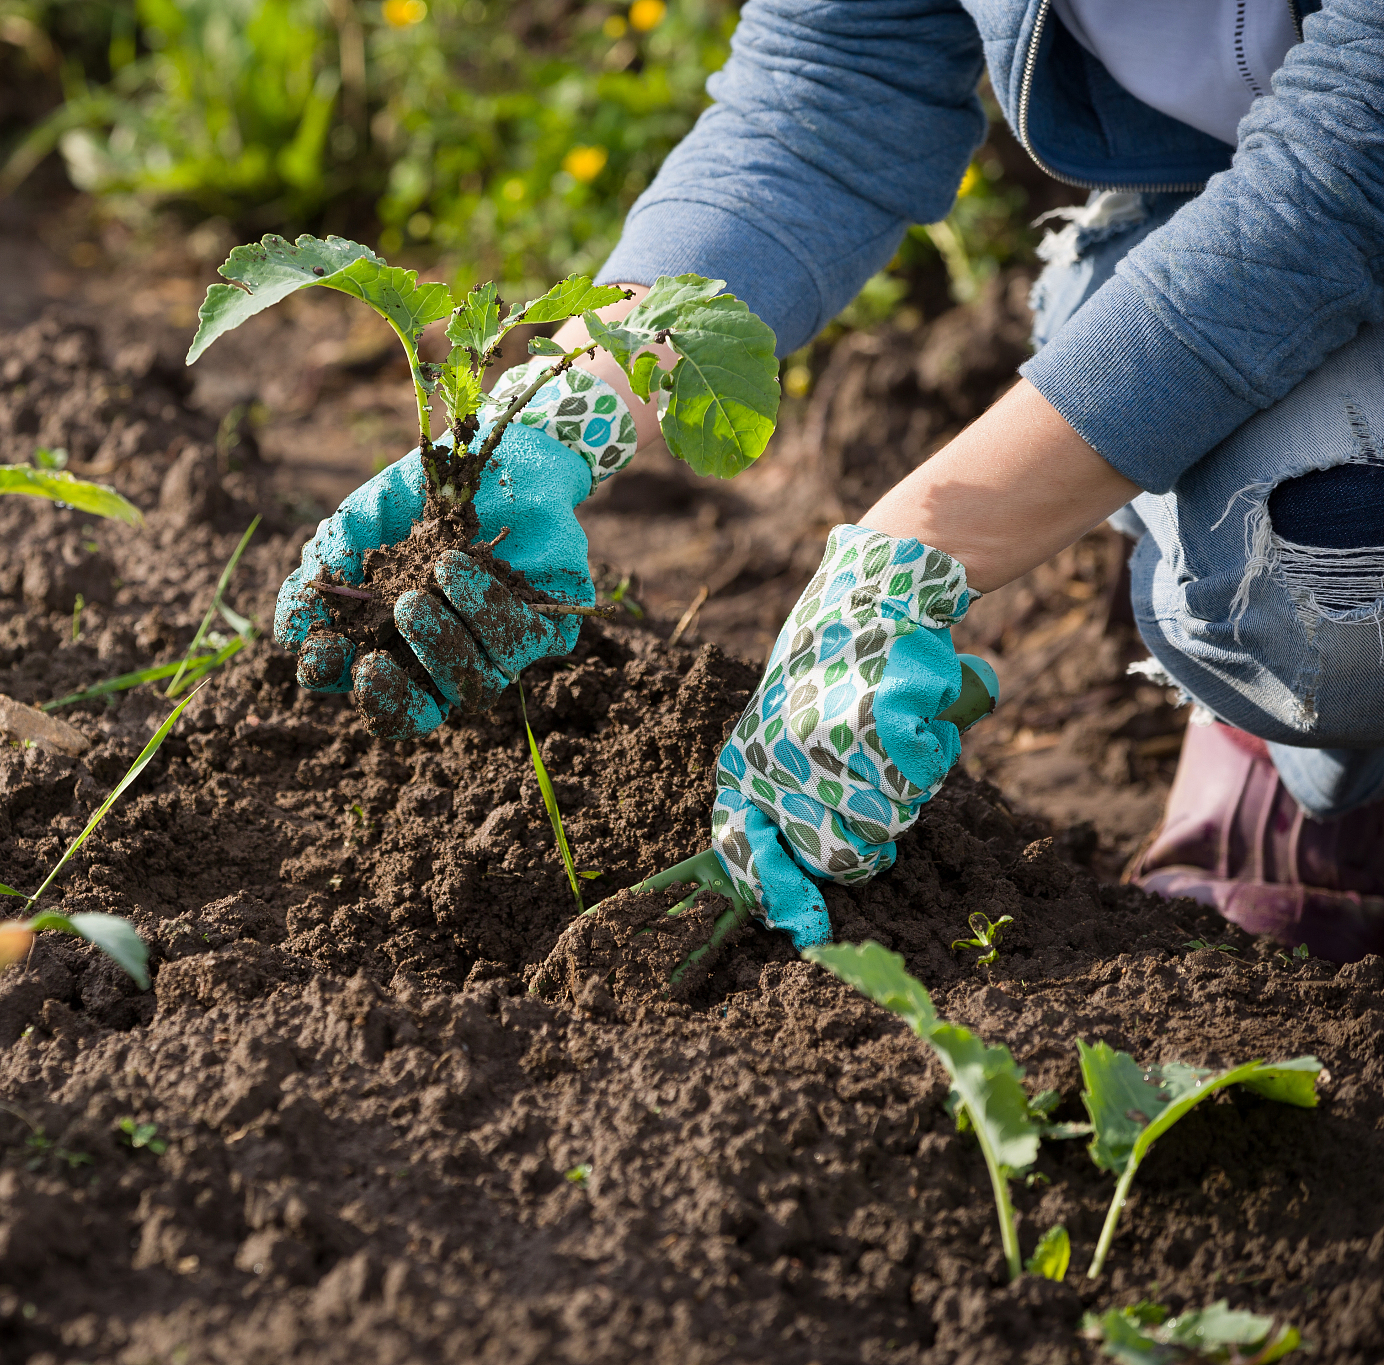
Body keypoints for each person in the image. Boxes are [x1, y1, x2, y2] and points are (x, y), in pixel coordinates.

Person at [275, 0, 1384, 961]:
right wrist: (553, 416)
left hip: (1337, 199)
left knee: (1346, 561)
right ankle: (1297, 750)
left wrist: (915, 555)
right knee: (1314, 556)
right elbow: (825, 98)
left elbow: (1345, 169)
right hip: (1209, 212)